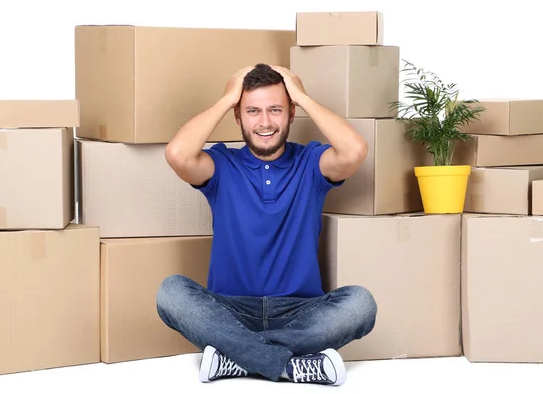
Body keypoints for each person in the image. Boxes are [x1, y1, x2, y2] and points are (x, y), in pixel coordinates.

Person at [156, 63, 377, 386]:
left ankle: (237, 359)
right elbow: (177, 154)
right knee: (171, 292)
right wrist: (227, 97)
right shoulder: (221, 164)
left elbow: (355, 150)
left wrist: (301, 96)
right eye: (252, 111)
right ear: (238, 116)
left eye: (275, 110)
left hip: (300, 312)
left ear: (290, 114)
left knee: (361, 304)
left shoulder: (312, 163)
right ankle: (286, 365)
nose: (264, 122)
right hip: (229, 310)